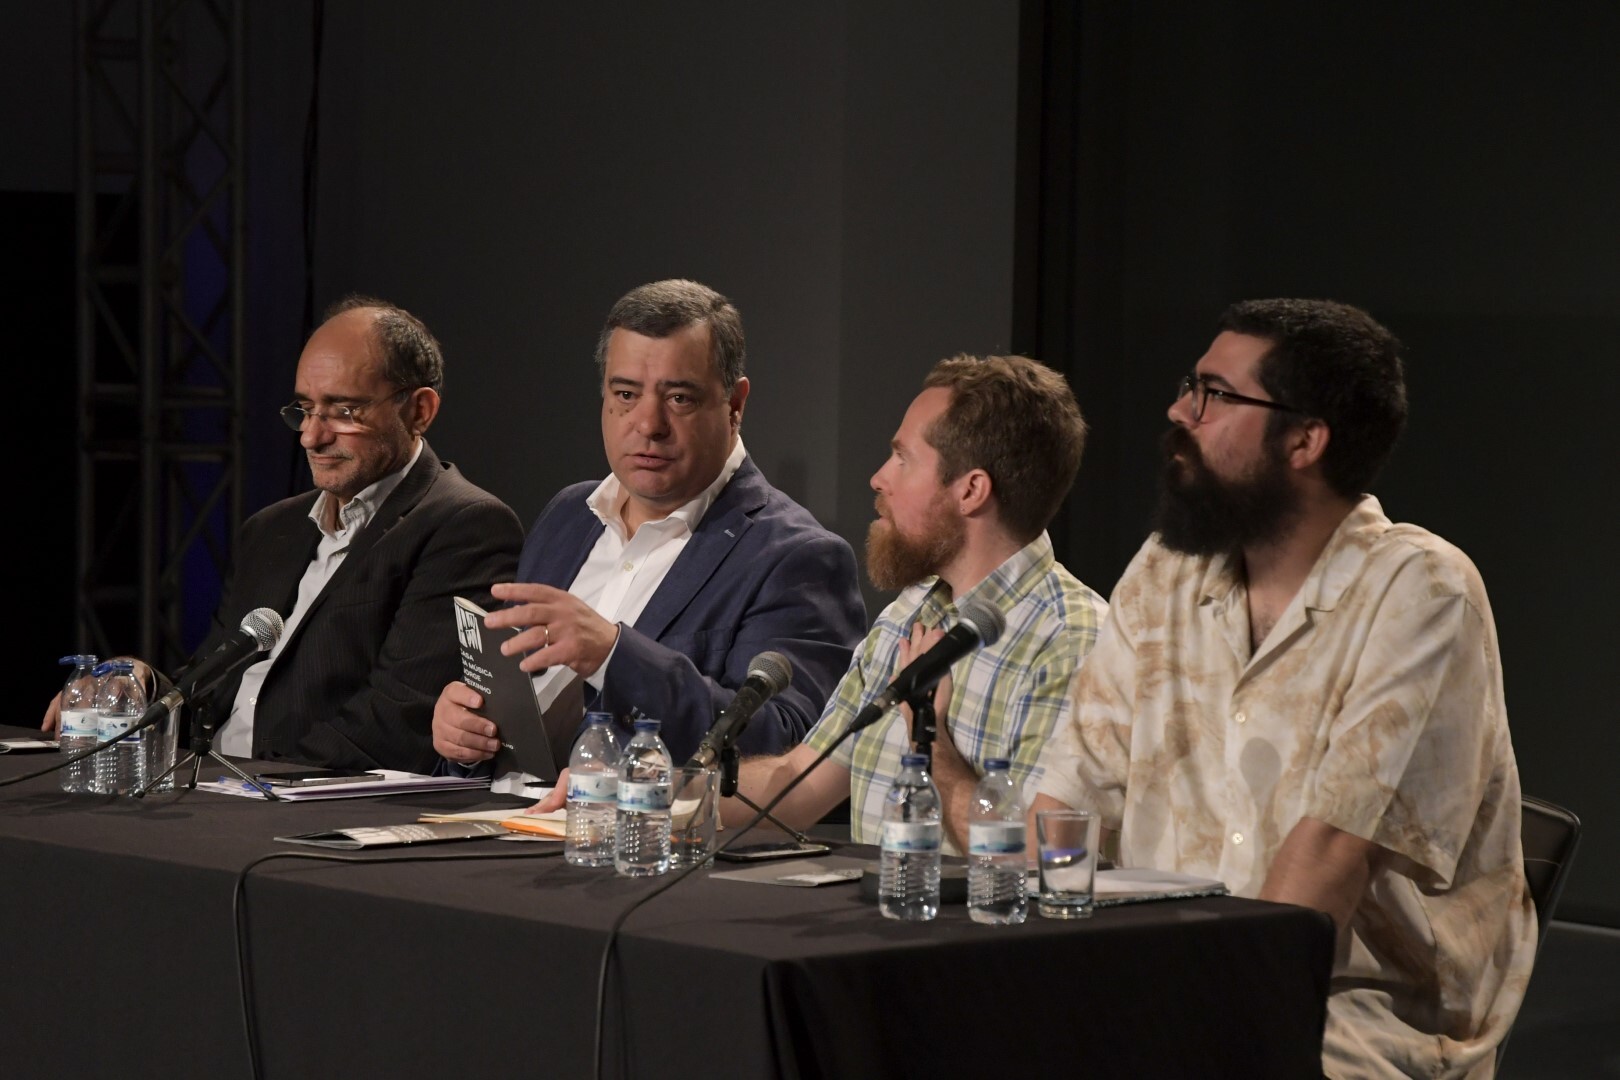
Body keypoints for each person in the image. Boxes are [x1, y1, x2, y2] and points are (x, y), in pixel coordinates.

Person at [1030, 299, 1534, 1078]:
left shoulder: (1421, 589)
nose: (1179, 411)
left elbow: (1329, 857)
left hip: (1349, 1017)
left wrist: (1195, 1023)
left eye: (1214, 394)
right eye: (1189, 386)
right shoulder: (1168, 570)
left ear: (1305, 439)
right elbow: (1066, 800)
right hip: (1154, 985)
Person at [44, 296, 525, 773]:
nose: (311, 437)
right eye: (305, 409)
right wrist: (144, 686)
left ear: (419, 411)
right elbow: (213, 688)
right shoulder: (271, 530)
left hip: (309, 810)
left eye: (344, 412)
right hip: (222, 791)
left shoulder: (464, 524)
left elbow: (397, 720)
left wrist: (252, 787)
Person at [432, 279, 865, 786]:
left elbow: (790, 746)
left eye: (679, 398)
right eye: (625, 395)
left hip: (637, 848)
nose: (648, 424)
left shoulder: (797, 558)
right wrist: (468, 735)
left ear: (735, 403)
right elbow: (514, 710)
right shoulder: (568, 515)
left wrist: (615, 656)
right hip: (495, 829)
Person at [715, 353, 1108, 851]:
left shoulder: (1074, 642)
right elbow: (799, 782)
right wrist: (649, 792)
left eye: (903, 458)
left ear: (971, 491)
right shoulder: (910, 611)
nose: (880, 478)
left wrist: (932, 741)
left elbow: (1033, 857)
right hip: (868, 923)